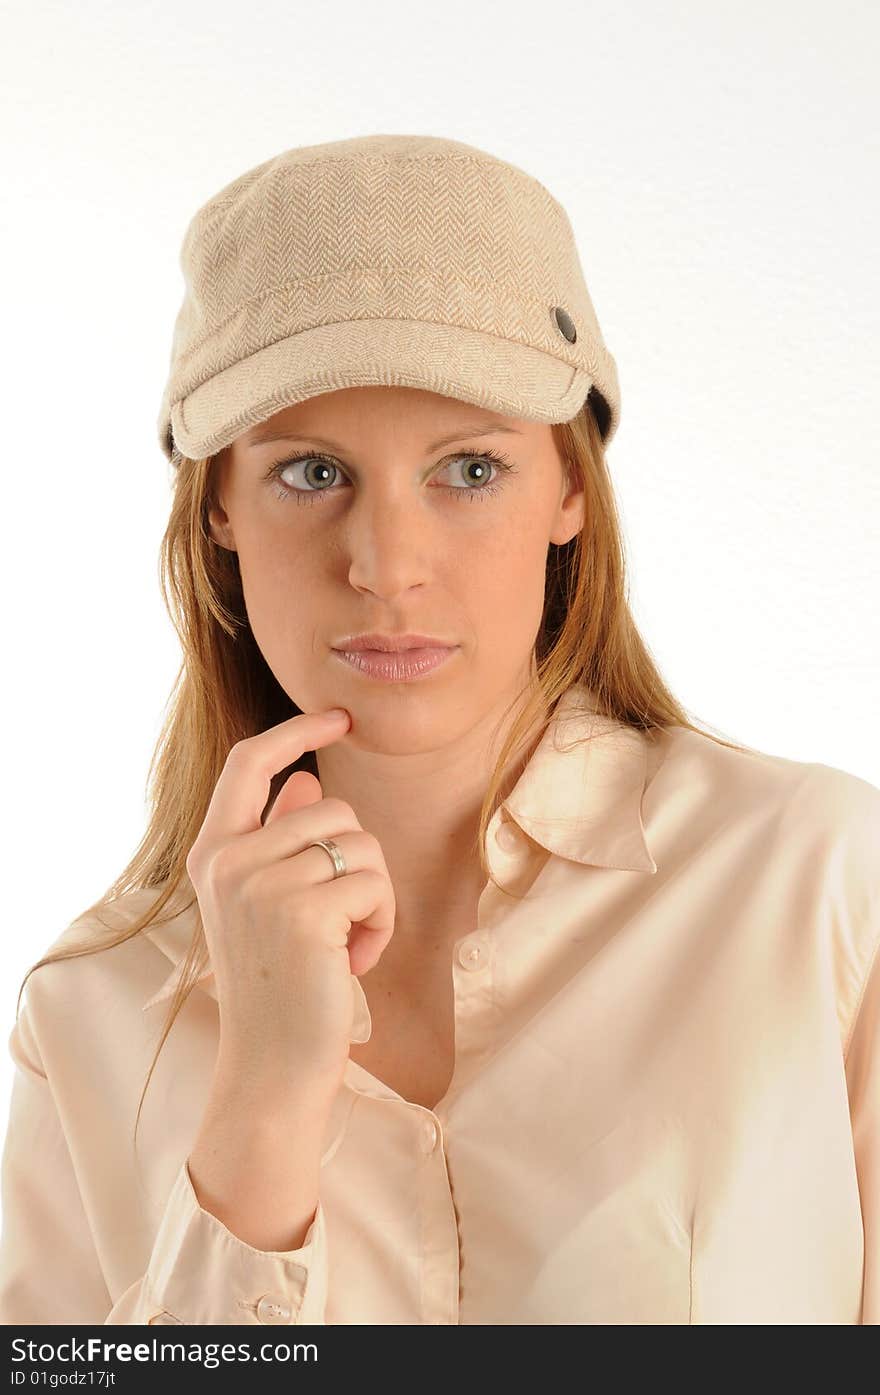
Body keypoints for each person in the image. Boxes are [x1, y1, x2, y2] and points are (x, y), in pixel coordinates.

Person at [0, 132, 877, 1327]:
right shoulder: (92, 1010)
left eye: (469, 469)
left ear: (570, 489)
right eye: (311, 473)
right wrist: (261, 1091)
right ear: (217, 508)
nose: (386, 566)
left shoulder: (817, 880)